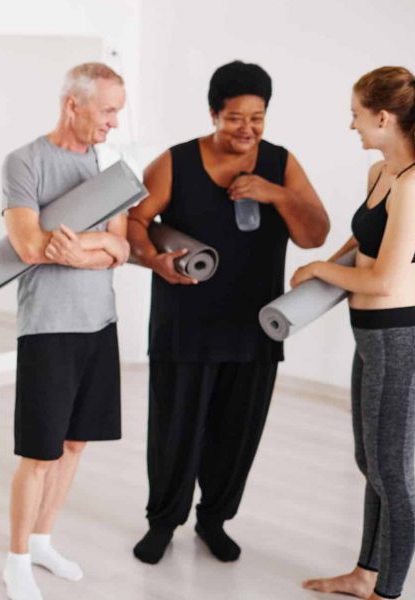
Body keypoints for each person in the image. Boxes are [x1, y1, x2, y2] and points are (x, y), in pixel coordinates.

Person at [127, 60, 329, 565]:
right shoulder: (177, 161)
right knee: (176, 430)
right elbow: (135, 218)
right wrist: (155, 261)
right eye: (235, 117)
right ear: (214, 113)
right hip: (185, 323)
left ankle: (213, 520)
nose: (247, 129)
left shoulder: (281, 164)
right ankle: (162, 522)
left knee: (236, 434)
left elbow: (315, 235)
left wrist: (275, 193)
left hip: (254, 325)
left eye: (257, 117)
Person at [299, 66, 415, 600]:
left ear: (383, 117)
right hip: (371, 340)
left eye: (356, 115)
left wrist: (322, 272)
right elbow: (364, 238)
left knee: (393, 476)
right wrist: (325, 263)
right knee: (368, 462)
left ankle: (386, 592)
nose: (351, 125)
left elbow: (384, 278)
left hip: (401, 342)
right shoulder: (381, 175)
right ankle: (364, 573)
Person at [0, 62, 130, 600]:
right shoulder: (25, 162)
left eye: (118, 112)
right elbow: (29, 245)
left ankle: (45, 539)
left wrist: (81, 250)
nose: (114, 123)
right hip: (48, 328)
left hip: (100, 322)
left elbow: (122, 246)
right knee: (41, 452)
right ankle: (17, 558)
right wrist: (91, 249)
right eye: (107, 111)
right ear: (72, 105)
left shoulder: (109, 163)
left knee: (75, 444)